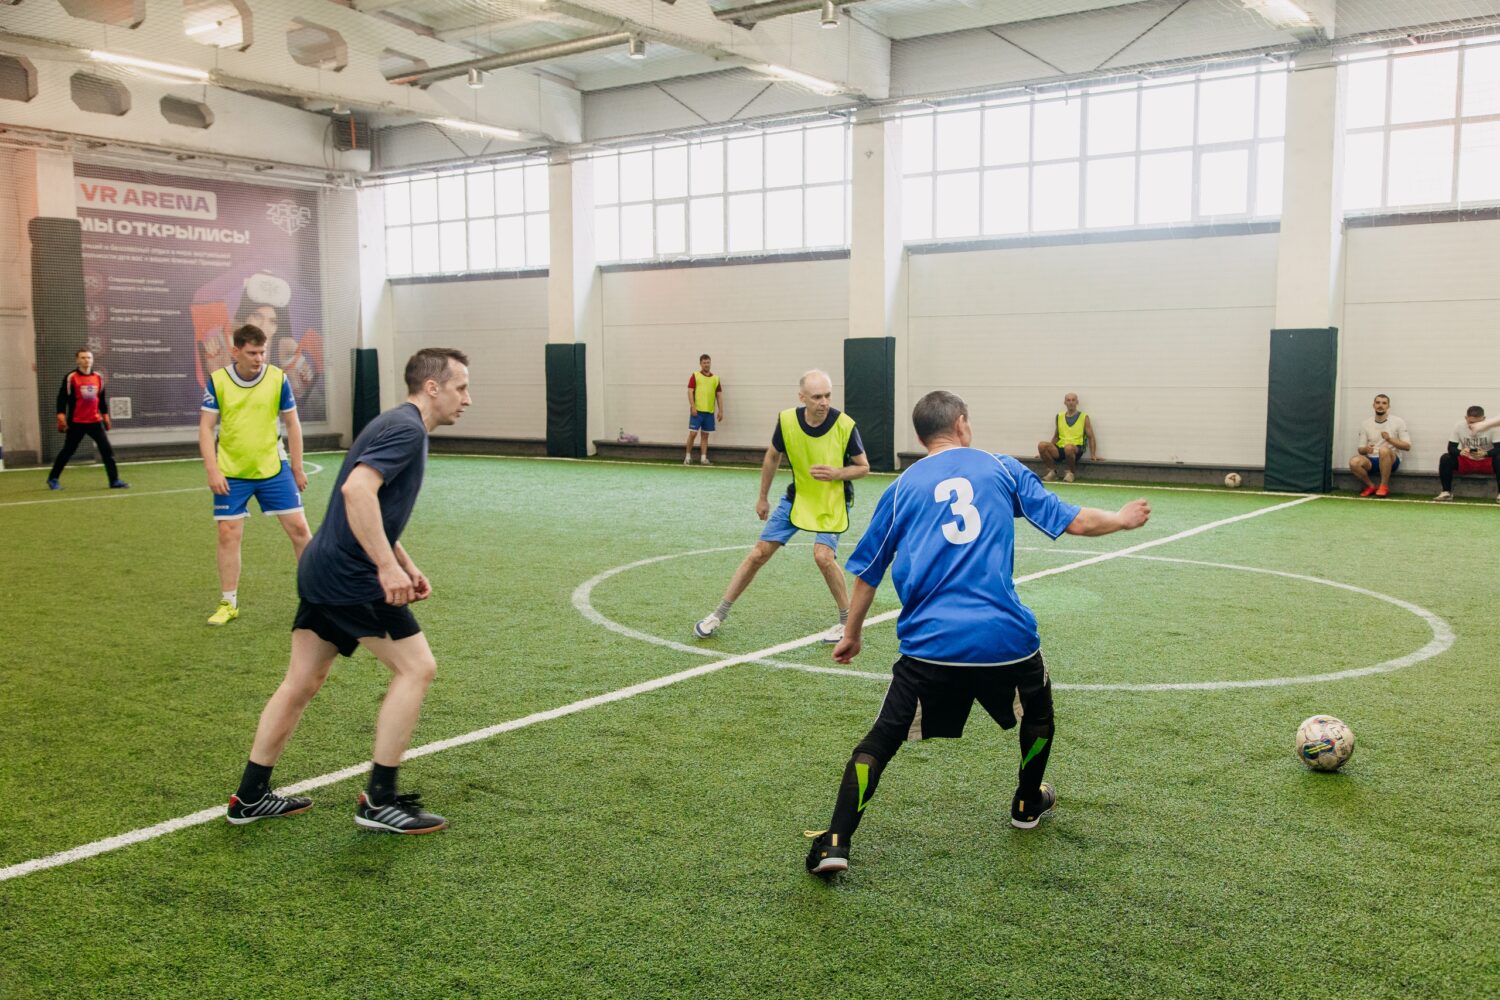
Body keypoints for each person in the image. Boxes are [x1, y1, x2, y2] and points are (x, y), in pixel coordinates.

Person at [804, 390, 1150, 876]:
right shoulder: (1001, 468)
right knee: (1039, 714)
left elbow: (868, 571)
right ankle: (1027, 802)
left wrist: (853, 633)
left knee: (881, 739)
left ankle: (836, 842)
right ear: (962, 424)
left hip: (930, 645)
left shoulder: (901, 488)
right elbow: (1072, 521)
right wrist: (1121, 519)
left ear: (922, 437)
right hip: (1005, 639)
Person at [226, 348, 471, 834]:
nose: (467, 399)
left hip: (322, 567)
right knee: (417, 668)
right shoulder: (407, 429)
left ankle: (250, 795)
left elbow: (372, 506)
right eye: (461, 387)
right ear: (432, 387)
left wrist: (405, 563)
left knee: (301, 680)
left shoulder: (394, 422)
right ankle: (380, 801)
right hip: (349, 576)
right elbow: (356, 492)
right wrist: (385, 567)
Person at [694, 370, 869, 644]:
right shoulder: (787, 421)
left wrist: (837, 473)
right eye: (817, 397)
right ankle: (718, 614)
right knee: (758, 553)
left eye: (828, 396)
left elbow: (863, 467)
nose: (824, 402)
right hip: (798, 497)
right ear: (802, 398)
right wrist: (763, 497)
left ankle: (847, 623)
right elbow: (772, 456)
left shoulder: (845, 425)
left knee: (823, 556)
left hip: (832, 499)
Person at [199, 324, 312, 626]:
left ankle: (317, 599)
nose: (259, 358)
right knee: (228, 533)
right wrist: (212, 469)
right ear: (235, 351)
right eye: (252, 353)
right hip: (232, 472)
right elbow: (206, 428)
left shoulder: (278, 379)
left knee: (300, 530)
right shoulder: (218, 381)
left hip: (273, 468)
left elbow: (293, 424)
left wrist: (297, 467)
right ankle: (229, 603)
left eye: (262, 352)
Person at [47, 348, 128, 491]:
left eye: (89, 358)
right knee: (68, 451)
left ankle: (114, 480)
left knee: (107, 451)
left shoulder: (98, 377)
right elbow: (62, 397)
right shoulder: (71, 377)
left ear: (92, 360)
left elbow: (101, 399)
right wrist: (60, 415)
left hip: (95, 422)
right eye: (83, 358)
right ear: (77, 360)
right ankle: (53, 479)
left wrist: (105, 415)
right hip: (76, 422)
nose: (86, 360)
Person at [1348, 393, 1410, 498]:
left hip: (1391, 460)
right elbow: (1360, 449)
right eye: (1378, 403)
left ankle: (1383, 486)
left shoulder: (1398, 422)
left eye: (1384, 403)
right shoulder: (1365, 423)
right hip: (1372, 460)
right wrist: (1366, 449)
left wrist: (1389, 439)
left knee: (1384, 450)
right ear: (1373, 405)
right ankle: (1371, 486)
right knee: (1354, 462)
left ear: (1388, 406)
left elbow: (1407, 446)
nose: (1380, 405)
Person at [1435, 406, 1500, 502]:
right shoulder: (1459, 426)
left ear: (1484, 419)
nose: (1474, 426)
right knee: (1445, 458)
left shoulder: (1493, 427)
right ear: (1466, 418)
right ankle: (1446, 492)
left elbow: (1499, 448)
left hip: (1487, 461)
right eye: (1471, 423)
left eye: (1478, 423)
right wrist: (1460, 452)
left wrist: (1486, 453)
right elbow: (1451, 448)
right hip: (1467, 460)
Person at [1036, 392, 1099, 483]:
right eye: (1068, 400)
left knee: (1068, 448)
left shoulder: (1084, 417)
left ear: (1077, 402)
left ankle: (1071, 473)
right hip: (1061, 447)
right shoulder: (1059, 416)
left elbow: (1091, 437)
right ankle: (1052, 472)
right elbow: (1056, 436)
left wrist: (1093, 454)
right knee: (1041, 445)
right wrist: (1043, 452)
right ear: (1065, 402)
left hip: (1076, 448)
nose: (1071, 402)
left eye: (1073, 400)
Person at [684, 354, 724, 465]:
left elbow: (719, 395)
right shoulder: (695, 375)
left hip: (709, 413)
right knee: (693, 434)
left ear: (710, 363)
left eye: (708, 362)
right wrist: (693, 406)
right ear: (700, 364)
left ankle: (703, 458)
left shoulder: (716, 378)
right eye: (704, 363)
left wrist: (721, 410)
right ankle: (687, 457)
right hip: (697, 412)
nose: (706, 364)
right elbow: (690, 391)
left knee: (705, 436)